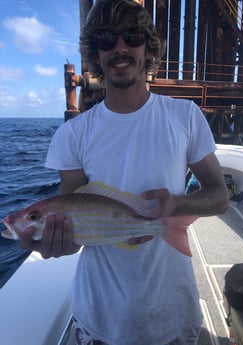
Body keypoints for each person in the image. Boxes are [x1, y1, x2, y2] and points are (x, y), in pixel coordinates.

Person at [20, 1, 229, 344]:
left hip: (174, 314)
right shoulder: (72, 134)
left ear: (148, 47)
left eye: (131, 35)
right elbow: (75, 233)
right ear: (95, 54)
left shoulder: (185, 116)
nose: (120, 47)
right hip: (99, 320)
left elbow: (220, 196)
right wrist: (52, 244)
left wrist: (174, 206)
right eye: (106, 39)